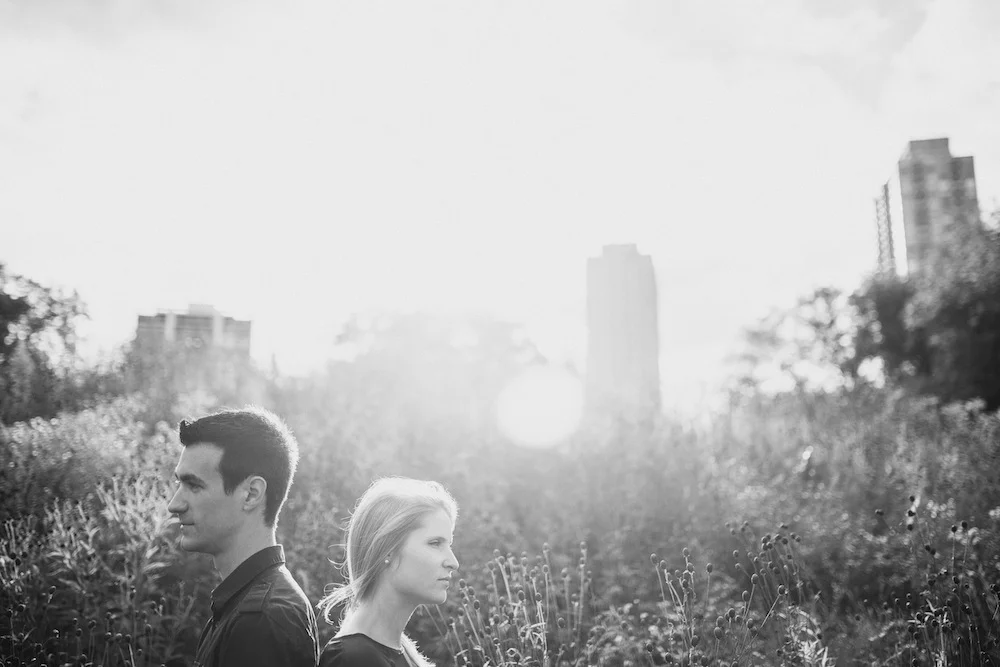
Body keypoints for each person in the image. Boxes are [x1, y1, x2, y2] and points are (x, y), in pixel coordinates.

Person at [167, 407, 320, 667]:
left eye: (194, 485)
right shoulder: (246, 606)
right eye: (178, 484)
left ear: (251, 494)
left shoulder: (261, 620)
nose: (174, 504)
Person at [318, 477, 460, 667]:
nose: (453, 563)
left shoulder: (398, 652)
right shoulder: (353, 659)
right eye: (435, 543)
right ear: (387, 549)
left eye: (449, 545)